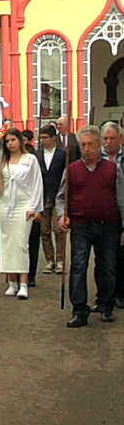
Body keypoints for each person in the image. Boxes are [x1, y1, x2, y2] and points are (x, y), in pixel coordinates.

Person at [56, 126, 124, 328]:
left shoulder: (113, 169)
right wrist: (62, 215)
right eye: (83, 145)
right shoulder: (72, 169)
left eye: (90, 144)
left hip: (109, 225)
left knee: (107, 267)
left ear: (99, 145)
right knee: (78, 267)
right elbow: (61, 197)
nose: (86, 148)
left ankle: (105, 305)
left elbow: (121, 199)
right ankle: (79, 310)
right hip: (80, 225)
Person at [0, 129, 43, 299]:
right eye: (7, 141)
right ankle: (11, 282)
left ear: (20, 141)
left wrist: (34, 207)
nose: (10, 143)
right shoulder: (0, 161)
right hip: (4, 205)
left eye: (13, 140)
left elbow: (36, 183)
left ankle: (24, 283)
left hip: (23, 204)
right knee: (6, 242)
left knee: (21, 243)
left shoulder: (30, 160)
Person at [36, 124, 67, 275]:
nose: (42, 140)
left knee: (58, 229)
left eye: (45, 137)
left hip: (58, 195)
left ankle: (61, 260)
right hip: (42, 196)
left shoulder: (62, 153)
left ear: (54, 138)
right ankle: (50, 260)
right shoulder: (38, 154)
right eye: (41, 137)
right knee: (44, 230)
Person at [100, 123, 124, 309]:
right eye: (105, 139)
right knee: (104, 259)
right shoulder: (94, 156)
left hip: (121, 212)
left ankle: (119, 294)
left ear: (120, 139)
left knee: (120, 256)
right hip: (102, 214)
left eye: (112, 139)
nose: (108, 142)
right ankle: (104, 296)